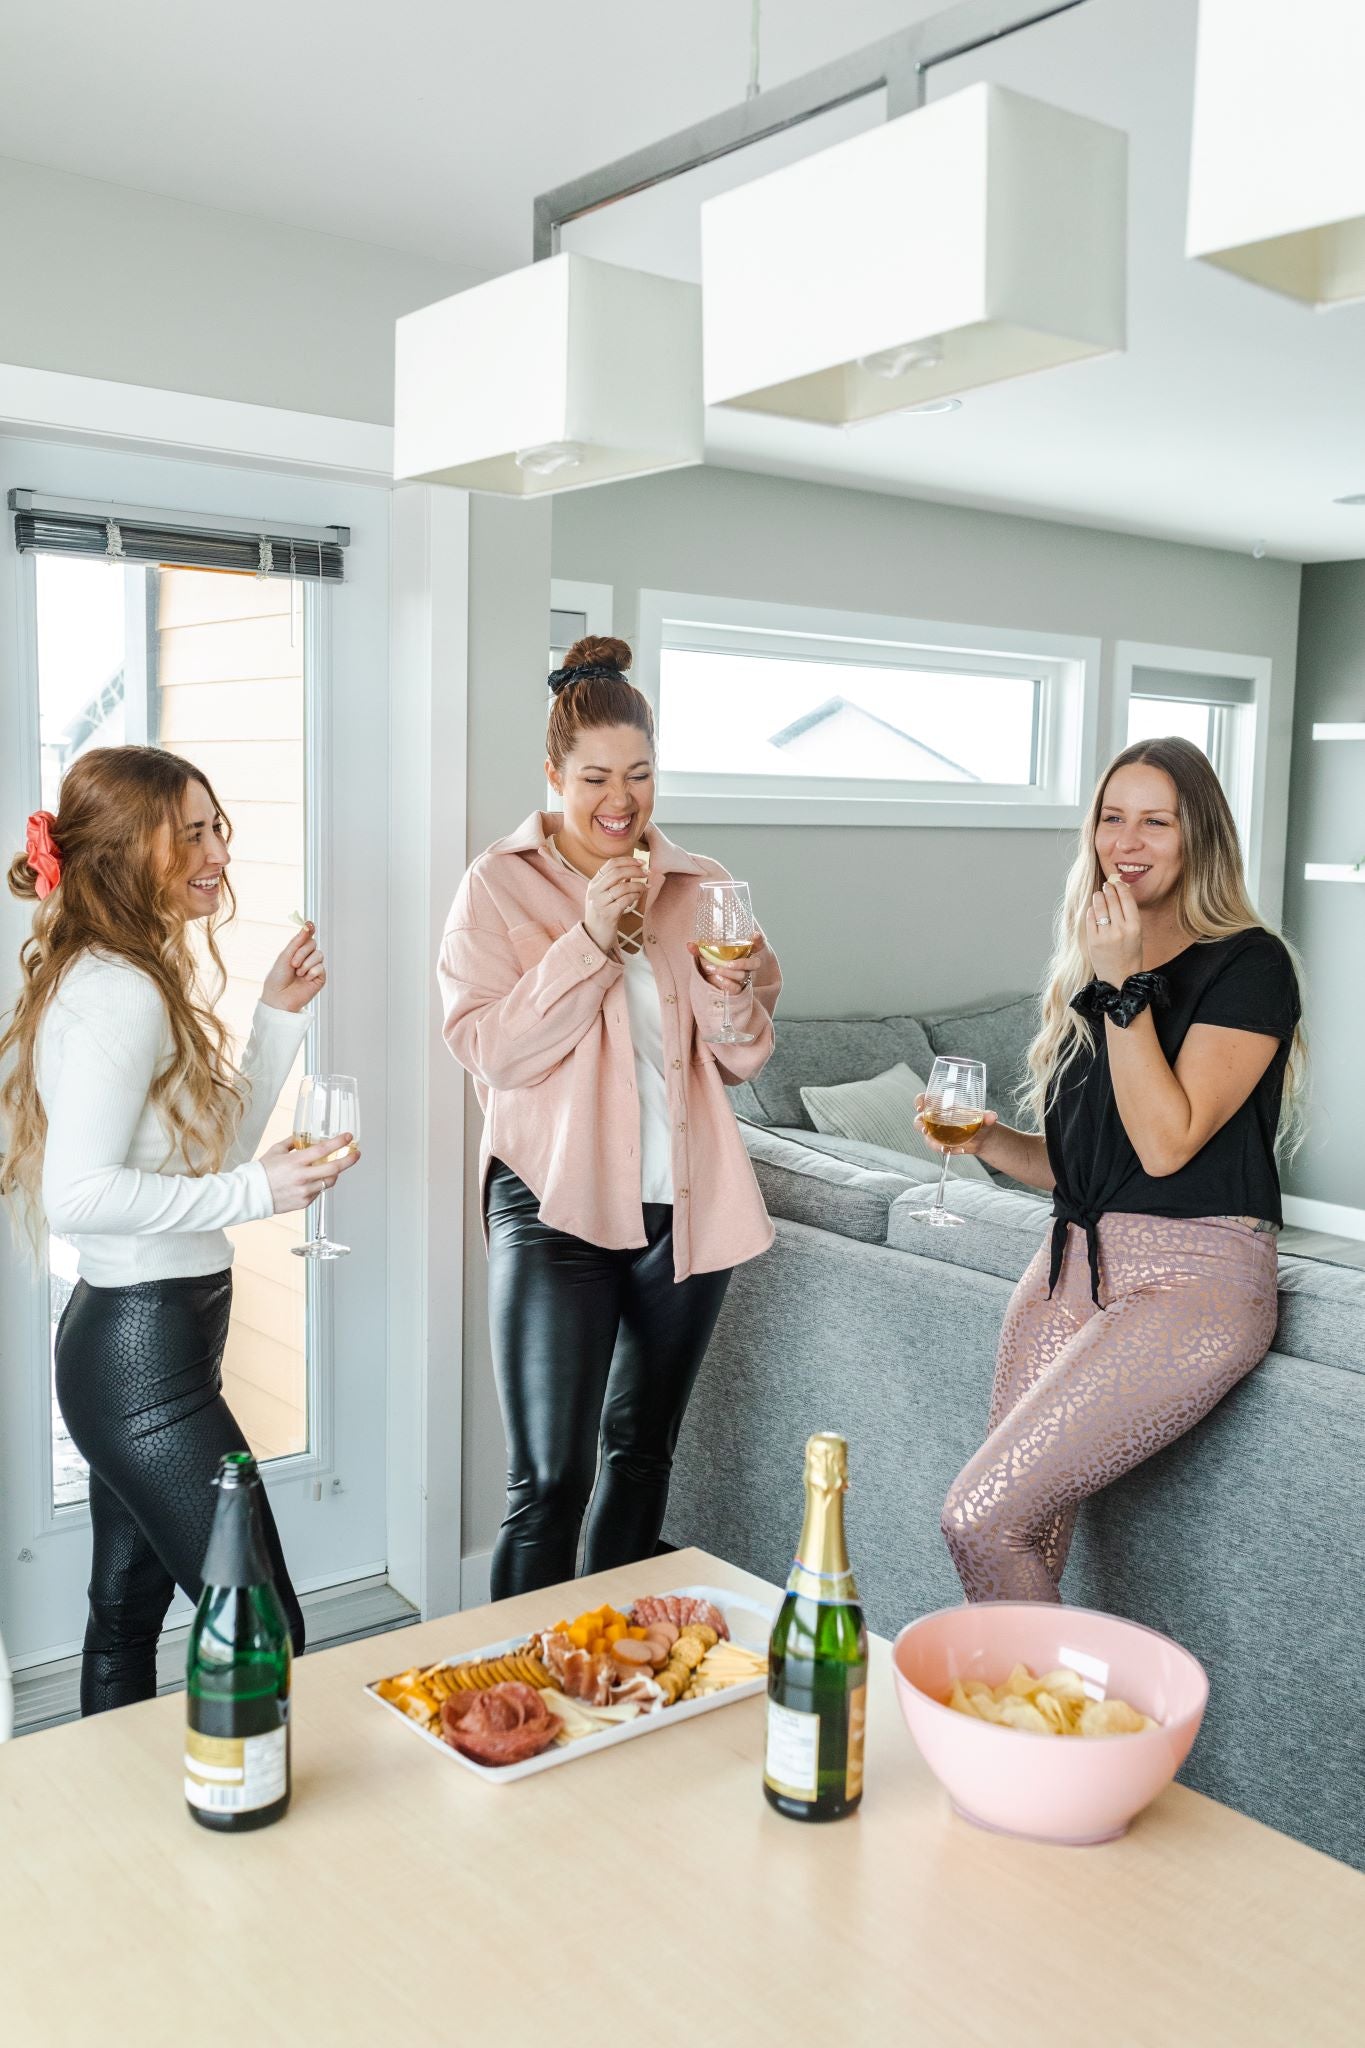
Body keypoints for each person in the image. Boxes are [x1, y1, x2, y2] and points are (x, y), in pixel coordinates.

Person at [0, 747, 359, 1711]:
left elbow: (202, 1154)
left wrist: (275, 1019)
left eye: (215, 826)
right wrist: (257, 1194)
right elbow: (82, 1195)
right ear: (126, 853)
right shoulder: (116, 990)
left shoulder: (130, 974)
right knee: (264, 1627)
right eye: (189, 833)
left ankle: (116, 1846)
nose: (217, 853)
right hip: (141, 1364)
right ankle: (261, 1827)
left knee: (124, 1615)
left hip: (147, 1349)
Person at [927, 736, 1305, 1603]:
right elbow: (1090, 1169)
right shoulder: (1094, 967)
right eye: (1110, 818)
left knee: (978, 1514)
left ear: (1197, 836)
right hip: (1067, 1267)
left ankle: (1056, 1740)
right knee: (1008, 1534)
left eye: (1154, 821)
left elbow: (1169, 1143)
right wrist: (987, 1143)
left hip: (1194, 1278)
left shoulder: (1248, 964)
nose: (1125, 842)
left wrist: (1123, 986)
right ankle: (1016, 1729)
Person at [439, 636, 780, 1597]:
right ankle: (506, 1691)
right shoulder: (496, 885)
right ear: (553, 777)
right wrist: (590, 935)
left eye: (638, 774)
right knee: (549, 1480)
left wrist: (729, 994)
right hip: (552, 1207)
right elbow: (493, 1050)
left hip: (684, 1205)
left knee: (640, 1457)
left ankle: (608, 1683)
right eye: (594, 777)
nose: (619, 799)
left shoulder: (703, 883)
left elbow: (746, 1055)